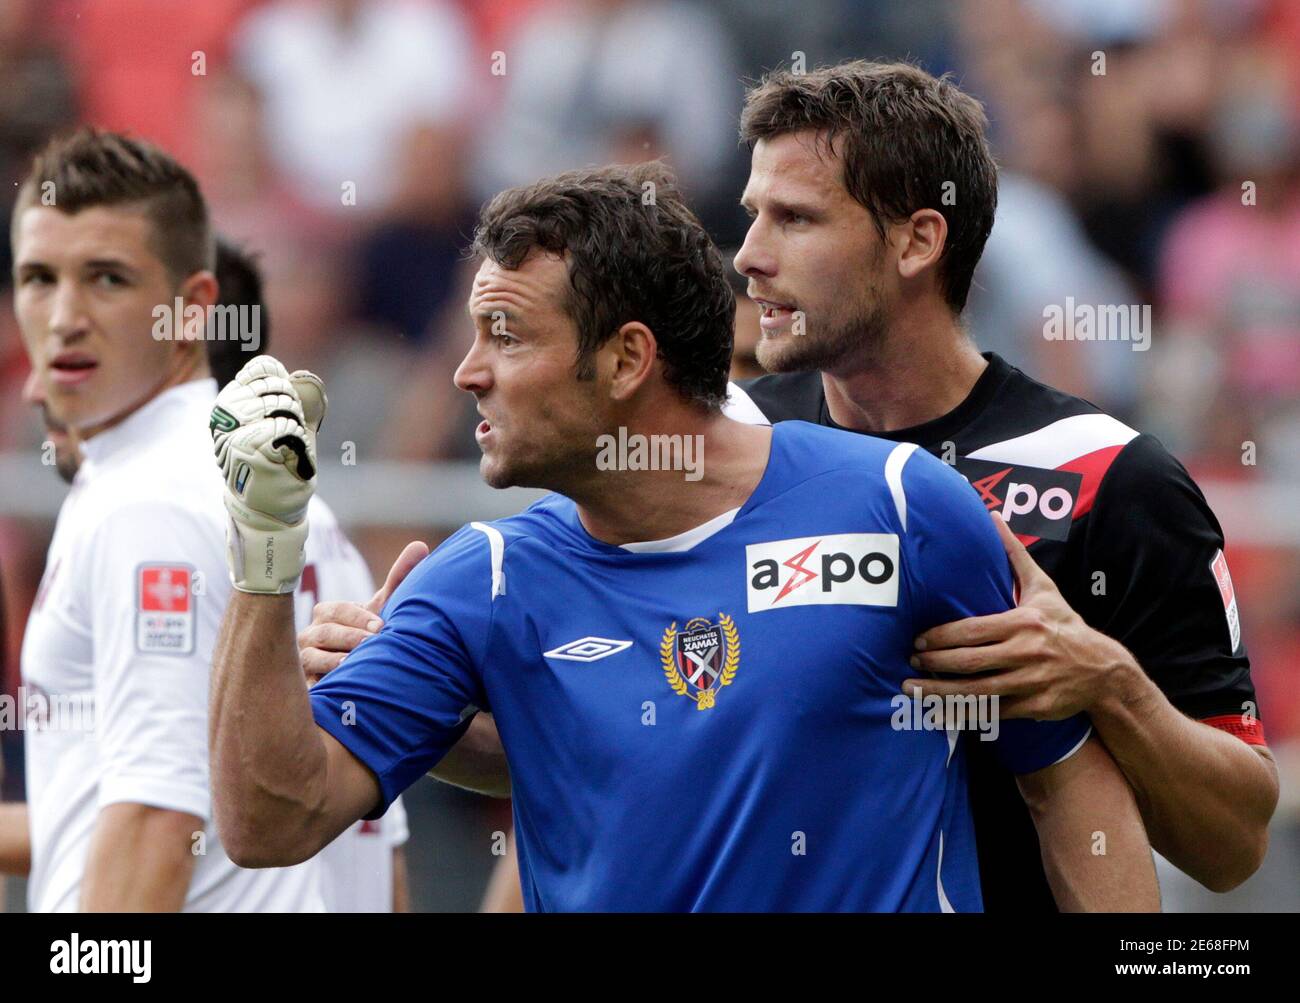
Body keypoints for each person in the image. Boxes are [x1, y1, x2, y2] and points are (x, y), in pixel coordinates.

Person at [208, 162, 1158, 912]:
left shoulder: (907, 509)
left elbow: (1065, 781)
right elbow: (269, 819)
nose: (466, 374)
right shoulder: (481, 580)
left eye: (505, 334)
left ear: (627, 357)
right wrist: (263, 557)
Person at [720, 60, 1278, 909]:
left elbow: (1233, 846)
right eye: (753, 215)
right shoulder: (728, 450)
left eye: (795, 219)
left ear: (918, 241)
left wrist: (1108, 681)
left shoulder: (1107, 473)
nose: (750, 257)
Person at [2, 129, 434, 911]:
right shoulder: (296, 506)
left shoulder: (147, 501)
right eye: (37, 277)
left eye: (106, 278)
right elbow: (379, 841)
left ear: (194, 308)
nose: (63, 316)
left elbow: (157, 813)